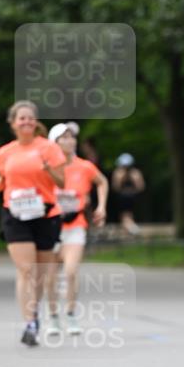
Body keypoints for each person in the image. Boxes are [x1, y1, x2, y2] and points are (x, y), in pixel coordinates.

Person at [0, 101, 65, 346]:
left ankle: (35, 312)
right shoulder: (5, 152)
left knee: (39, 274)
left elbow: (61, 182)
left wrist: (48, 169)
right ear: (13, 123)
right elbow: (4, 179)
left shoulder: (49, 148)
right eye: (22, 118)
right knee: (25, 270)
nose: (27, 122)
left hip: (45, 214)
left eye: (31, 118)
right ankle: (29, 321)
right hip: (15, 214)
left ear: (36, 122)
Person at [44, 123, 108, 337]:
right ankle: (53, 317)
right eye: (64, 137)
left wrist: (101, 206)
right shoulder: (47, 167)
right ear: (54, 143)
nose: (69, 141)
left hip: (75, 225)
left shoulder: (84, 166)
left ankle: (70, 314)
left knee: (71, 272)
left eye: (72, 137)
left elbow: (102, 182)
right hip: (50, 225)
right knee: (50, 276)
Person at [111, 153, 145, 235]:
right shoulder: (132, 173)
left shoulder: (134, 173)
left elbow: (140, 186)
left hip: (129, 197)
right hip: (125, 197)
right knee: (126, 216)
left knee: (126, 216)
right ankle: (129, 232)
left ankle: (133, 230)